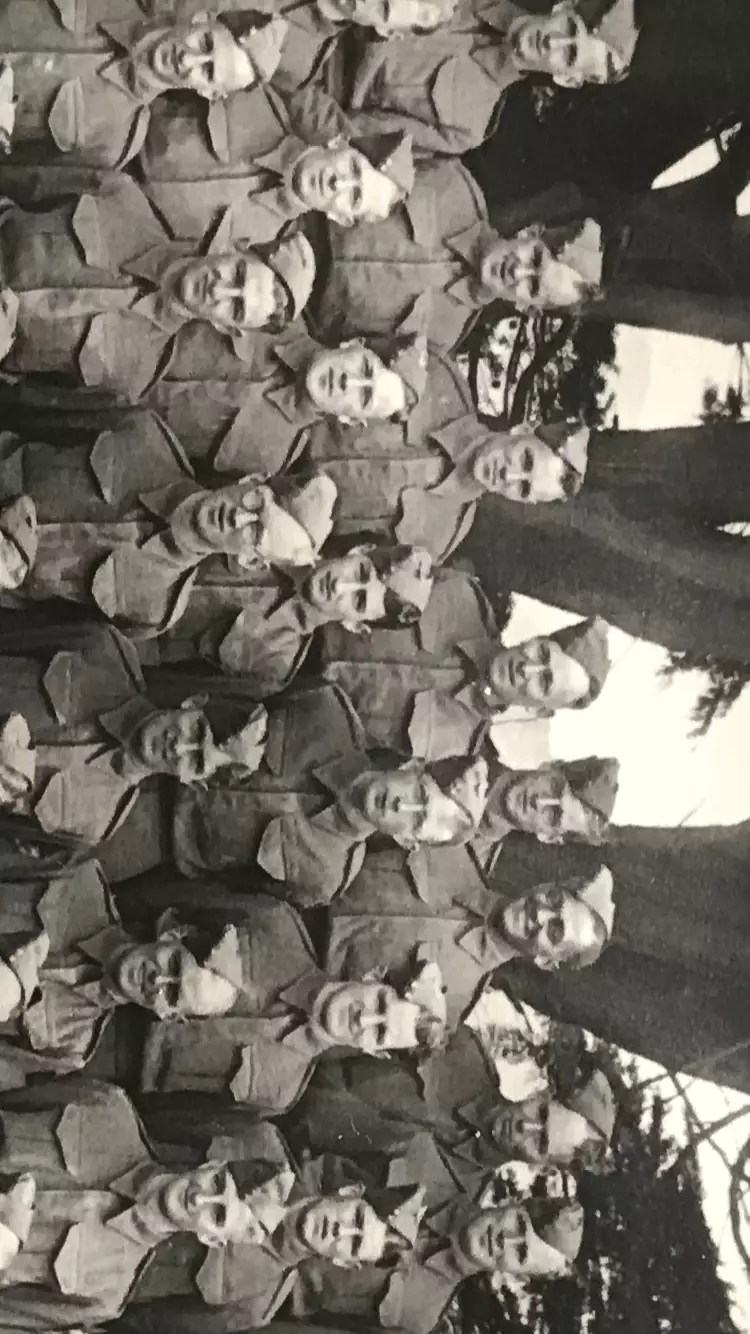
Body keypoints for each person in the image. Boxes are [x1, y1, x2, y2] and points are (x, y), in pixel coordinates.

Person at [0, 865, 343, 1086]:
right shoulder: (78, 884)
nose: (157, 981)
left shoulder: (73, 1044)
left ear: (168, 1015)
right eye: (175, 966)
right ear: (171, 935)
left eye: (173, 994)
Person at [0, 416, 337, 640]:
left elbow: (34, 628)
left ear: (250, 561)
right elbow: (31, 413)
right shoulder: (146, 437)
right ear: (251, 480)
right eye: (257, 503)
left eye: (256, 533)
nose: (238, 518)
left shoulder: (154, 609)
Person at [0, 173, 316, 400]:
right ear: (233, 249)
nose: (219, 290)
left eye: (235, 307)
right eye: (237, 274)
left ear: (228, 328)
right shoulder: (122, 197)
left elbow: (25, 400)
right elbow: (20, 177)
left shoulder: (134, 374)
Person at [0, 622, 268, 872]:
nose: (179, 747)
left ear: (193, 782)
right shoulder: (104, 652)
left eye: (196, 761)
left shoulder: (95, 823)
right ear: (193, 702)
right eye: (196, 731)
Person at [140, 934, 447, 1109]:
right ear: (372, 978)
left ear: (374, 1052)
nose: (363, 1017)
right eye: (379, 1002)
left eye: (379, 1032)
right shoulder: (278, 928)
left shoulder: (278, 1090)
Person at [0, 2, 288, 172]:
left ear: (209, 92)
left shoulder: (115, 142)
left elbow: (15, 171)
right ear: (202, 20)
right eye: (205, 43)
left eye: (207, 70)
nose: (188, 59)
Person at [346, 0, 640, 155]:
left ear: (567, 79)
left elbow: (350, 130)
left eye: (570, 56)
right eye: (568, 28)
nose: (553, 42)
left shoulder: (467, 125)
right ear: (562, 7)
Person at [204, 318, 434, 478]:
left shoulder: (272, 457)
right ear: (353, 344)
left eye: (364, 397)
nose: (348, 382)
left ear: (350, 419)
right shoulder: (277, 316)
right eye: (365, 368)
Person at [308, 155, 490, 350]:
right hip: (307, 205)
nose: (517, 272)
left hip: (302, 303)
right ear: (527, 234)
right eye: (529, 257)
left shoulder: (447, 333)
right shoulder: (456, 184)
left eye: (529, 287)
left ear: (526, 307)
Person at [142, 112, 415, 241]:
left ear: (340, 218)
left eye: (354, 196)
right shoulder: (261, 102)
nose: (338, 183)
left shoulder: (263, 251)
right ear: (339, 143)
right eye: (353, 168)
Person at [404, 614, 610, 762]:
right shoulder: (462, 601)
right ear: (536, 639)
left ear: (540, 710)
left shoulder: (457, 748)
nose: (526, 668)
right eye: (542, 652)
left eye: (545, 682)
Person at [395, 416, 589, 561]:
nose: (508, 476)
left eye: (523, 488)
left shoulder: (440, 538)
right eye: (526, 460)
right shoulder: (443, 387)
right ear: (522, 430)